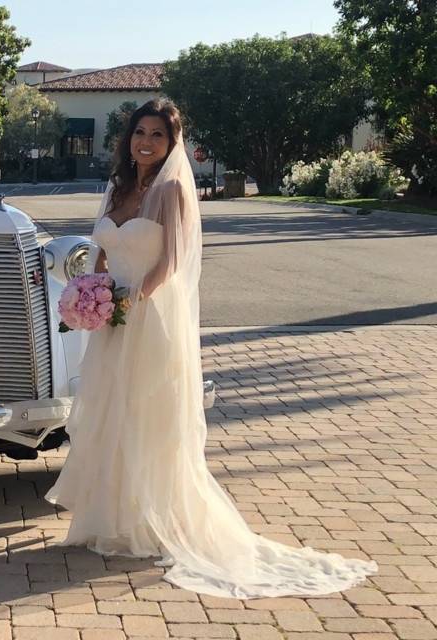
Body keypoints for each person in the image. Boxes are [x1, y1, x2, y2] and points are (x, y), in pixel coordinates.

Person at [45, 99, 377, 599]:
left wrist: (132, 301)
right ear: (129, 137)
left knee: (146, 415)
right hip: (111, 317)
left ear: (171, 143)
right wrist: (88, 293)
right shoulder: (118, 186)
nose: (147, 142)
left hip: (147, 317)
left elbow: (171, 261)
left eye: (158, 135)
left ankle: (151, 520)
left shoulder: (172, 189)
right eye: (141, 132)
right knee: (110, 411)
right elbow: (102, 249)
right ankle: (111, 516)